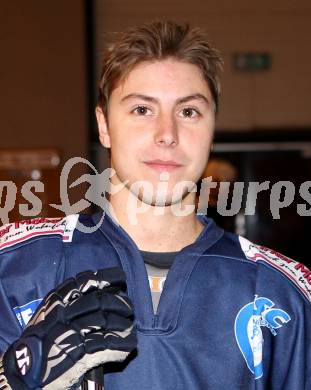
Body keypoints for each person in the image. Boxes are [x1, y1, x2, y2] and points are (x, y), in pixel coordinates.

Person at [0, 21, 310, 390]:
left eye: (189, 112)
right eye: (142, 110)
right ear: (104, 125)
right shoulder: (15, 267)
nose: (167, 134)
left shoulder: (282, 292)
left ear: (213, 126)